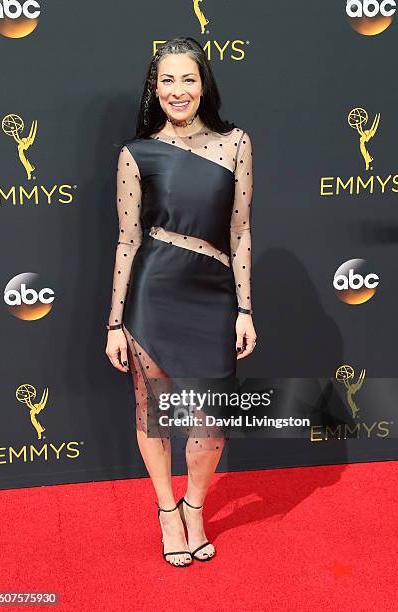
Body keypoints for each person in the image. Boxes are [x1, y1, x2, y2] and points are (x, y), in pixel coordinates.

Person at [105, 36, 257, 567]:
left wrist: (245, 308)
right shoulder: (136, 153)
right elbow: (127, 240)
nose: (177, 90)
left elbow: (239, 233)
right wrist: (114, 322)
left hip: (213, 294)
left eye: (187, 79)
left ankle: (196, 505)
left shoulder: (236, 143)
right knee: (153, 413)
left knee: (209, 423)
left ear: (204, 84)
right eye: (166, 80)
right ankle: (168, 512)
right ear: (154, 88)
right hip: (153, 290)